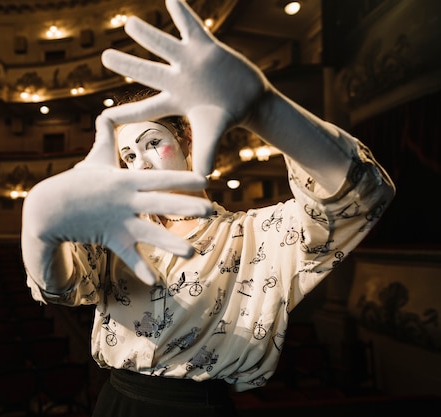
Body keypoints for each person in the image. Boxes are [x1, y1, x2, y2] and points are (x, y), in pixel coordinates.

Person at [21, 0, 396, 416]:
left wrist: (265, 109)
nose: (140, 162)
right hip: (116, 401)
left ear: (187, 141)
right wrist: (38, 227)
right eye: (127, 155)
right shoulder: (114, 229)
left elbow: (360, 197)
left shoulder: (257, 237)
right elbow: (63, 287)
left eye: (151, 143)